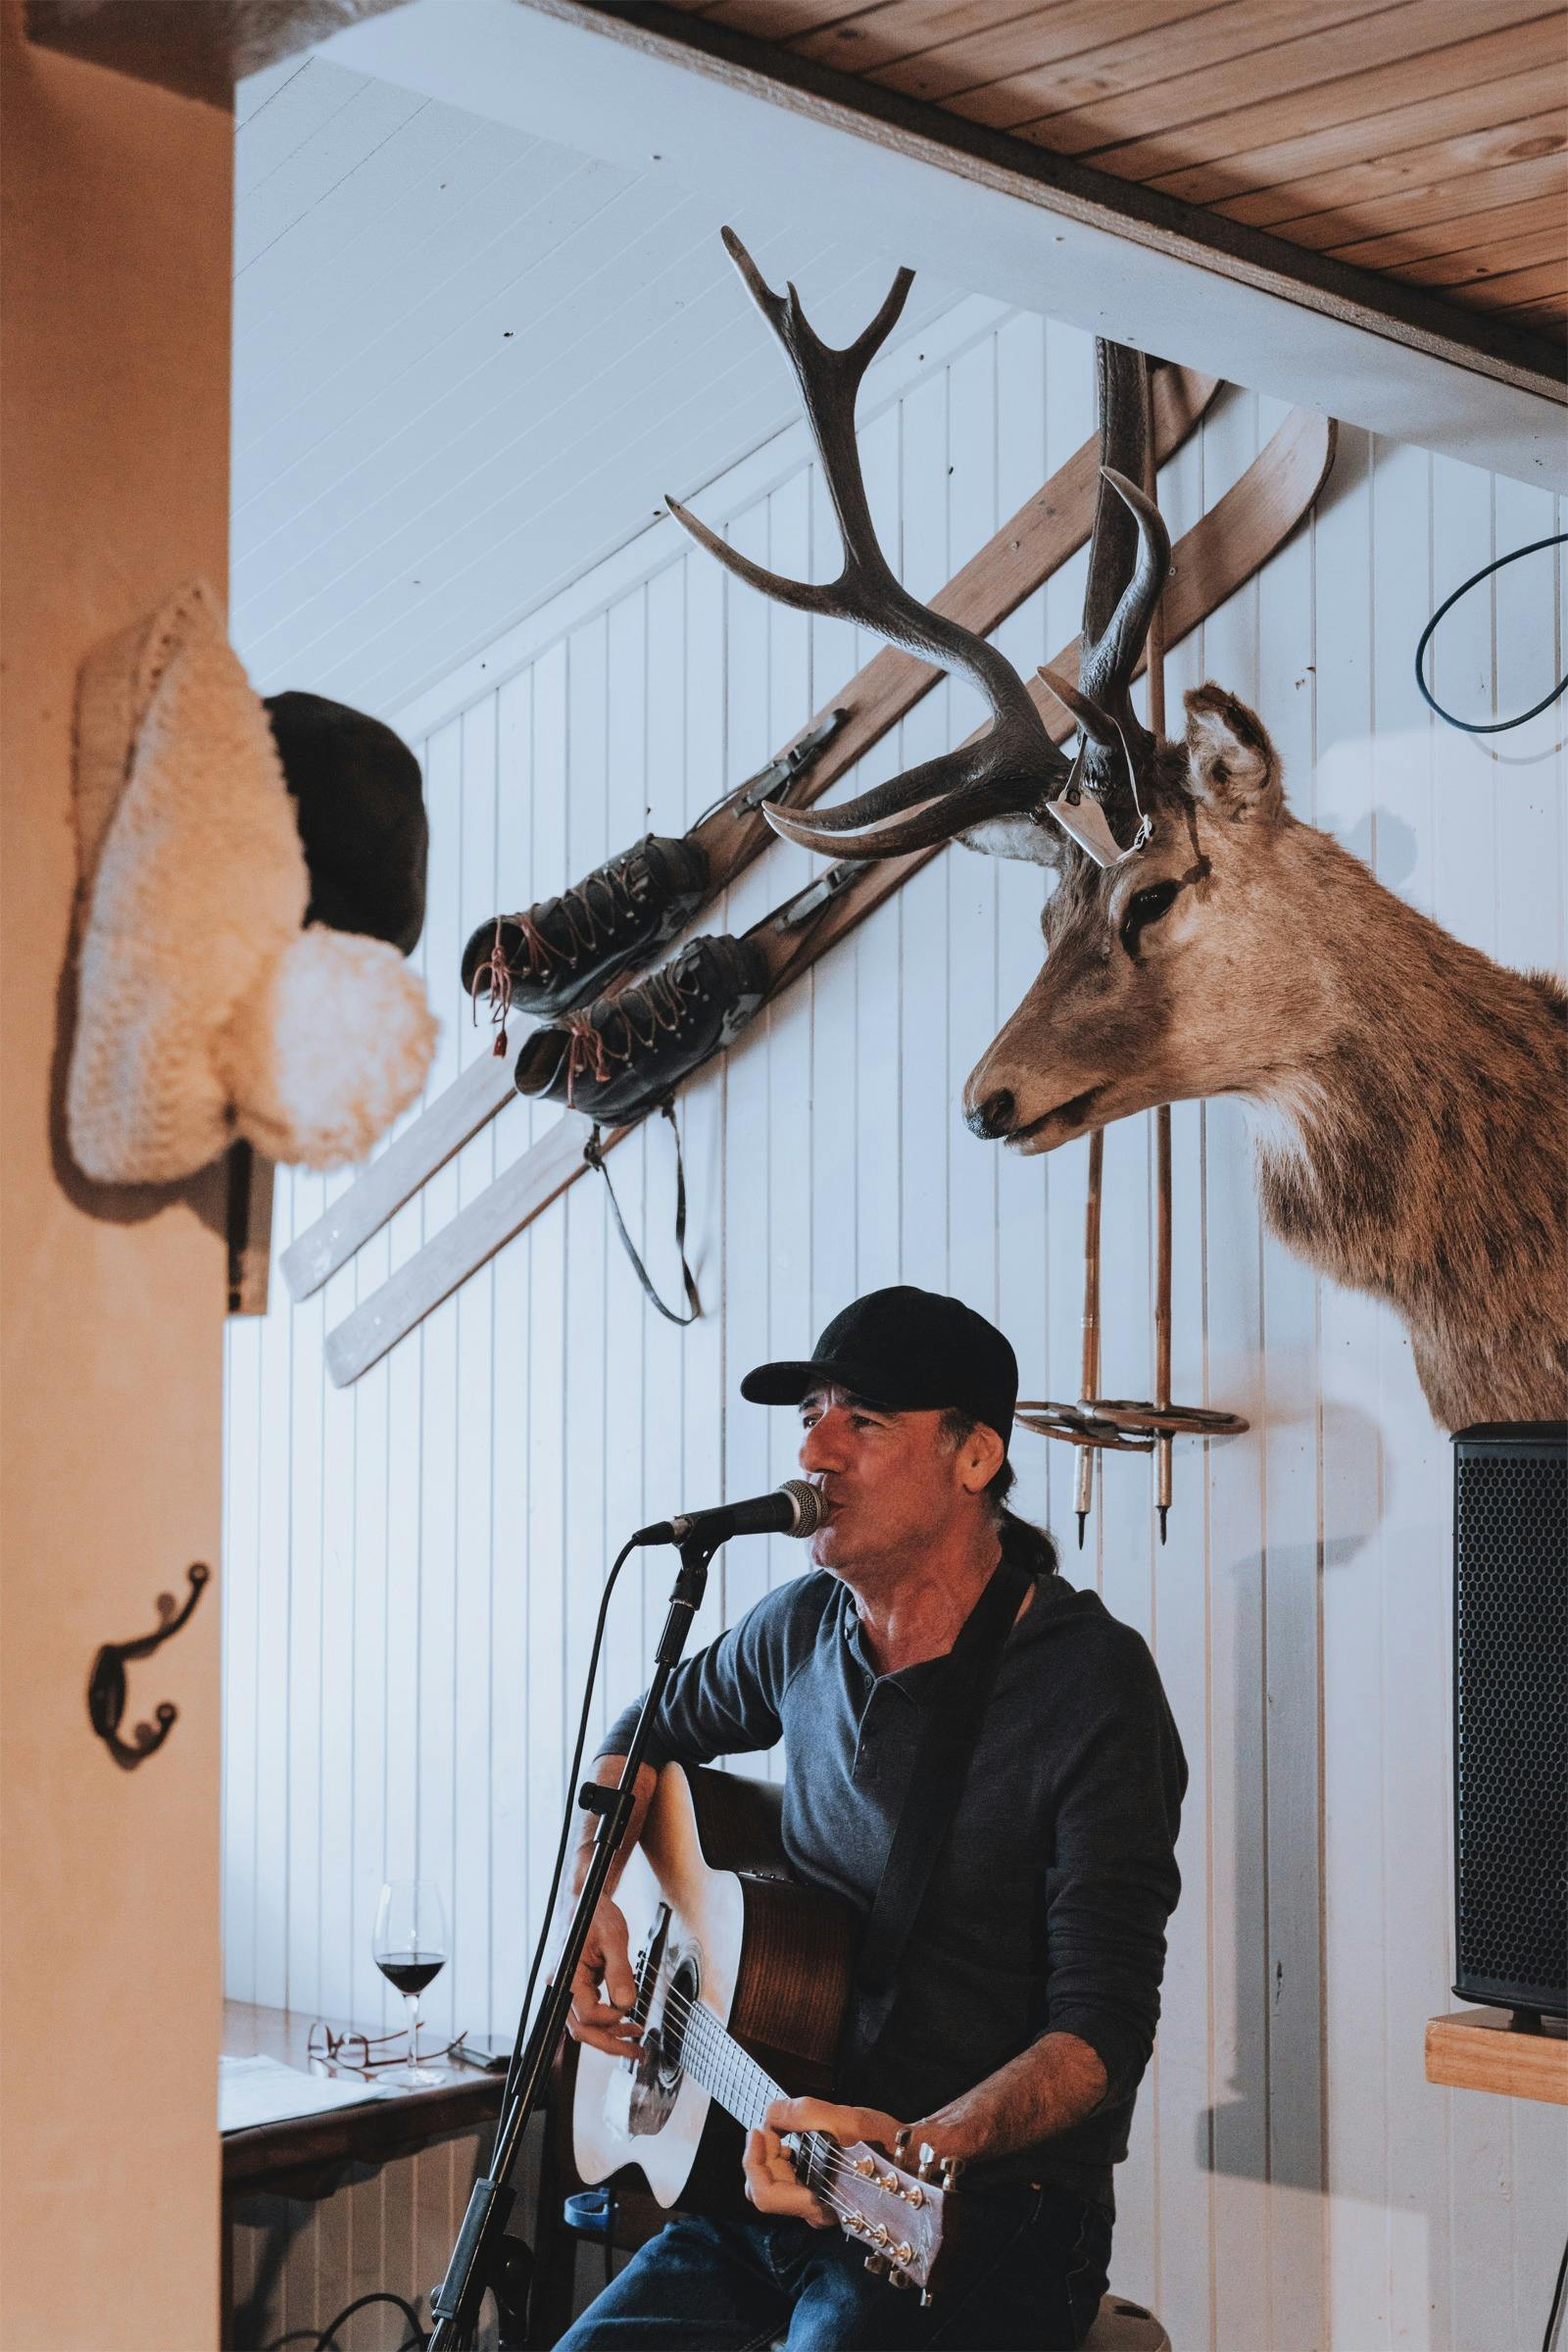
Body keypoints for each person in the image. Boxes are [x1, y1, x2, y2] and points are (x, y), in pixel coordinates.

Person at [555, 1285, 1186, 2351]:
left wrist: (918, 2144)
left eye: (863, 1419)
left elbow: (1100, 2036)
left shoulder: (1090, 1685)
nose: (815, 1451)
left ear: (974, 1456)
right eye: (809, 1415)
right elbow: (642, 1733)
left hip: (981, 2205)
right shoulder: (801, 1627)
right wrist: (593, 1897)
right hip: (766, 2177)